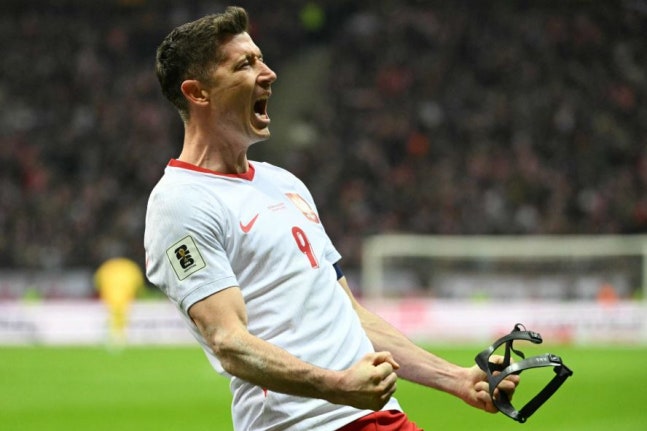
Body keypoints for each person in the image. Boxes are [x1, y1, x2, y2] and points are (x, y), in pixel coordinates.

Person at [144, 6, 518, 430]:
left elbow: (349, 314)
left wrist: (457, 379)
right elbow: (228, 342)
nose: (269, 73)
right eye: (245, 64)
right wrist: (337, 386)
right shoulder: (181, 202)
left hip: (373, 418)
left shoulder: (283, 183)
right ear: (197, 93)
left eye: (261, 59)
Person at [94, 257, 145, 348]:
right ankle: (120, 337)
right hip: (124, 299)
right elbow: (138, 284)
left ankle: (115, 337)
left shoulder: (106, 268)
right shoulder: (130, 267)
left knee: (113, 318)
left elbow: (98, 283)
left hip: (111, 299)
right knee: (121, 318)